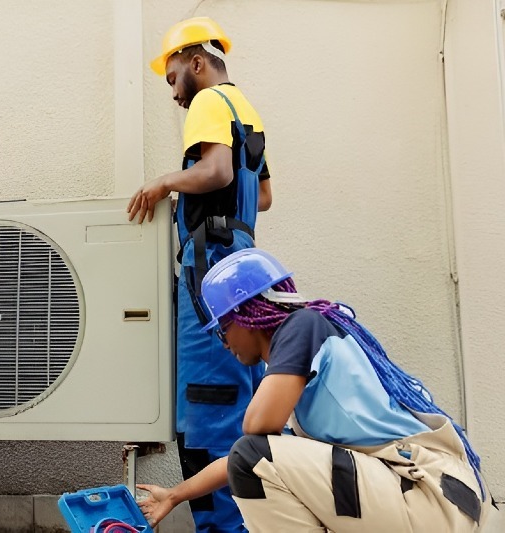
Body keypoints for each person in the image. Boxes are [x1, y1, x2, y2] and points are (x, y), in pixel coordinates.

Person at [138, 248, 496, 532]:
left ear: (245, 316)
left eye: (222, 329)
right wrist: (174, 495)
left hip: (427, 497)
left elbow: (254, 434)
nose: (223, 342)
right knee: (261, 459)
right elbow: (252, 456)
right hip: (436, 496)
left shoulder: (301, 326)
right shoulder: (312, 368)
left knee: (256, 456)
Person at [127, 16, 272, 532]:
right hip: (244, 265)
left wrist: (165, 181)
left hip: (210, 265)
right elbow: (264, 196)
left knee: (207, 407)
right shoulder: (246, 109)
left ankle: (224, 528)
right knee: (243, 403)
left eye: (171, 78)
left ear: (196, 62)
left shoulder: (210, 101)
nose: (173, 93)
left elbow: (216, 172)